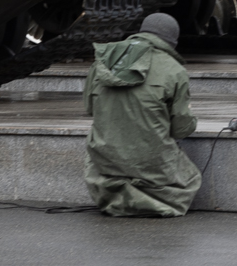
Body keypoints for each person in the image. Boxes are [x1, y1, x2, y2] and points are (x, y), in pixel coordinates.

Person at [84, 12, 202, 217]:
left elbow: (89, 108)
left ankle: (118, 199)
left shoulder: (104, 60)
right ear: (172, 41)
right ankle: (155, 203)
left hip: (107, 158)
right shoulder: (174, 70)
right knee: (191, 178)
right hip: (153, 161)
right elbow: (181, 129)